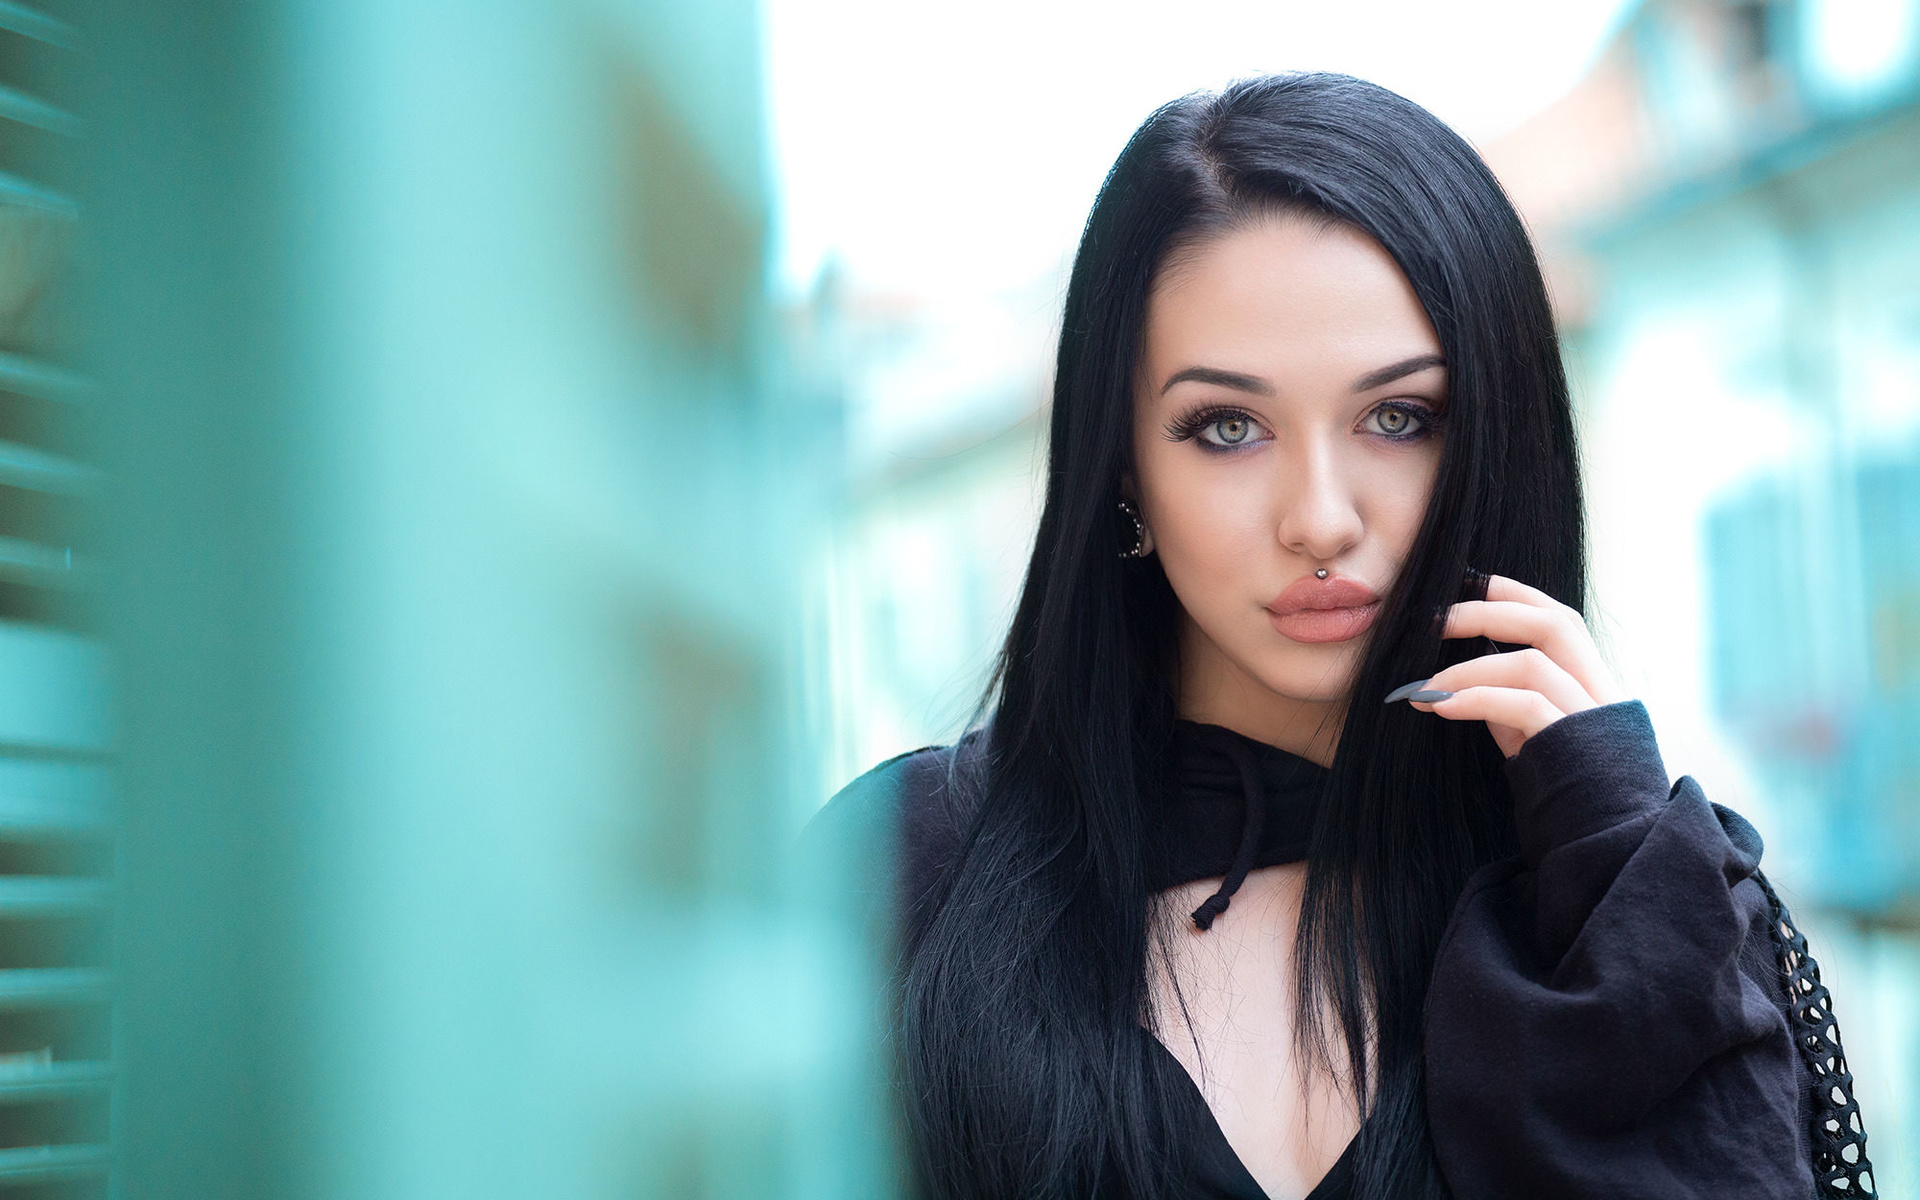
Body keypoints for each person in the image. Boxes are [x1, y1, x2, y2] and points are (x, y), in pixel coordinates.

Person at [808, 73, 1873, 1200]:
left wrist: (1617, 869)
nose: (1320, 516)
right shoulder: (899, 875)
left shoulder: (1639, 892)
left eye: (1399, 418)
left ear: (1495, 438)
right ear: (1122, 463)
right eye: (1227, 427)